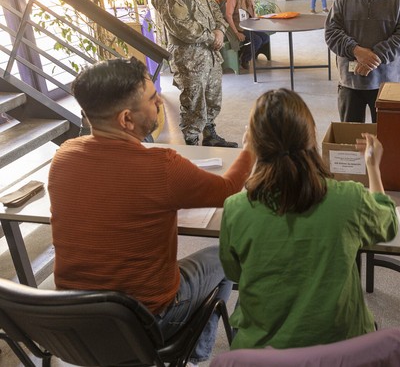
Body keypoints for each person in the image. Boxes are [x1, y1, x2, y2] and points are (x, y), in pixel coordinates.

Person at [48, 58, 255, 365]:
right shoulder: (162, 167)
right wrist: (250, 147)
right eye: (151, 98)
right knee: (222, 256)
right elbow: (226, 190)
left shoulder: (63, 157)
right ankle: (193, 355)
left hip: (76, 321)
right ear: (126, 120)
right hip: (145, 321)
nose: (160, 99)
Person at [219, 88, 397, 349]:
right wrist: (372, 167)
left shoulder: (236, 209)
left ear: (254, 142)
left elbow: (234, 272)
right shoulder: (348, 199)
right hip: (341, 349)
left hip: (263, 353)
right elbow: (388, 222)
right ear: (311, 136)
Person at [152, 0, 237, 148]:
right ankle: (192, 145)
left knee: (211, 98)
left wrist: (219, 31)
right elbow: (181, 25)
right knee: (193, 104)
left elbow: (216, 11)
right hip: (189, 58)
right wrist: (212, 37)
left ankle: (210, 136)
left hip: (209, 54)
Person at [224, 0, 270, 71]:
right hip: (238, 26)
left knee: (265, 38)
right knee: (257, 40)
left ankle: (247, 52)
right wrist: (236, 33)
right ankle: (244, 59)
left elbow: (252, 13)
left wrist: (257, 20)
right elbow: (228, 15)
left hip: (249, 24)